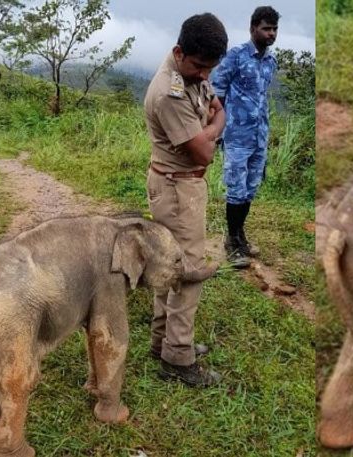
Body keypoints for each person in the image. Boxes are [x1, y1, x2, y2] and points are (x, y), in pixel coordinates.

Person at [143, 12, 227, 386]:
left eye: (210, 69)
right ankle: (177, 358)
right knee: (187, 272)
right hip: (178, 189)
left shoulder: (189, 75)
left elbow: (219, 107)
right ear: (179, 52)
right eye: (200, 67)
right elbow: (204, 153)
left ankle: (162, 341)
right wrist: (212, 129)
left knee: (167, 264)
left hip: (180, 186)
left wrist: (210, 127)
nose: (205, 76)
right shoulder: (169, 92)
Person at [211, 6, 280, 268]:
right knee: (236, 189)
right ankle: (231, 241)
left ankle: (241, 236)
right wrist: (217, 130)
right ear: (253, 29)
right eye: (266, 28)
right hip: (237, 136)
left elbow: (261, 100)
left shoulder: (270, 62)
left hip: (259, 137)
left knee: (250, 188)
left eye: (274, 29)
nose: (271, 34)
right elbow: (217, 93)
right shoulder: (236, 57)